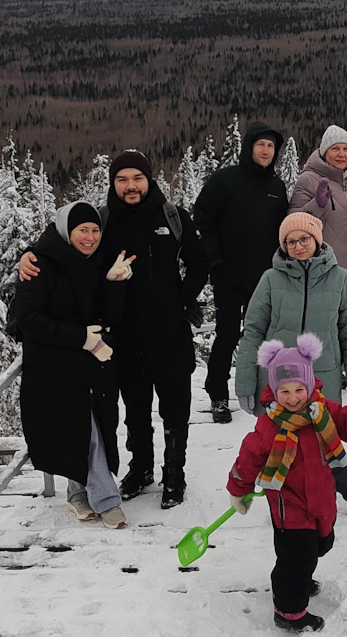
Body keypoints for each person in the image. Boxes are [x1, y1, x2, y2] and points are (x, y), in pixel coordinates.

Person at [16, 150, 206, 508]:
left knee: (174, 407)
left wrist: (181, 301)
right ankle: (142, 468)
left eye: (137, 178)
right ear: (113, 183)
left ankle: (174, 473)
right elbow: (68, 240)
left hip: (170, 335)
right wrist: (29, 253)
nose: (130, 186)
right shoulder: (104, 221)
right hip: (124, 335)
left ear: (149, 181)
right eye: (122, 180)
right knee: (134, 407)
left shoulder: (173, 218)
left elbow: (199, 263)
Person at [226, 334, 347, 632]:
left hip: (321, 498)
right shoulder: (270, 423)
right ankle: (289, 611)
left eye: (299, 388)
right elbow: (250, 456)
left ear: (309, 385)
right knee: (296, 556)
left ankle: (300, 576)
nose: (293, 397)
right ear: (274, 388)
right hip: (289, 504)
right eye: (284, 390)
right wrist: (238, 489)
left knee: (322, 544)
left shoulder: (323, 412)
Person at [235, 213, 347, 517]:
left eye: (304, 239)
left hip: (321, 382)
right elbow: (253, 331)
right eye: (290, 241)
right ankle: (292, 504)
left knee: (325, 444)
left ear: (317, 240)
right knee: (275, 441)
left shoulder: (341, 280)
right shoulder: (271, 280)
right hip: (280, 385)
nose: (298, 246)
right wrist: (245, 383)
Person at [8, 201, 136, 529]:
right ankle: (107, 499)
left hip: (93, 361)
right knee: (85, 430)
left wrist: (114, 282)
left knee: (94, 425)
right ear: (67, 230)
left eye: (95, 229)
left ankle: (77, 494)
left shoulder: (100, 259)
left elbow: (110, 316)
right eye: (82, 230)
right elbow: (29, 318)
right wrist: (80, 337)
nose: (90, 237)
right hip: (53, 364)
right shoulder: (39, 262)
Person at [192, 120, 290, 424]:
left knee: (264, 335)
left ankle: (264, 391)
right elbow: (202, 217)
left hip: (265, 277)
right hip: (228, 275)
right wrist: (215, 258)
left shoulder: (276, 187)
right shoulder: (225, 181)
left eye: (271, 146)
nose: (265, 150)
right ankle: (218, 394)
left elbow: (283, 229)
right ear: (248, 147)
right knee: (226, 335)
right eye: (260, 144)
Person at [289, 125, 347, 295]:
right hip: (320, 270)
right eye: (335, 148)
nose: (341, 154)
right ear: (324, 152)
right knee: (324, 319)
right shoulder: (308, 179)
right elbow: (292, 223)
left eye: (346, 149)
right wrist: (317, 205)